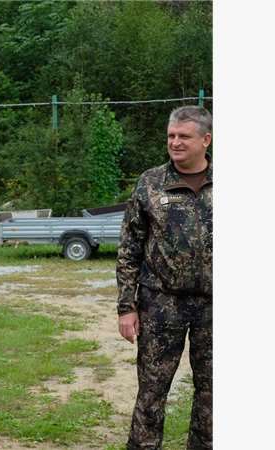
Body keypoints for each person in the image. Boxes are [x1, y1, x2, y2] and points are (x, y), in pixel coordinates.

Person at [116, 105, 213, 449]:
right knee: (152, 392)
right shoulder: (151, 182)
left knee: (213, 394)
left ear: (206, 140)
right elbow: (129, 246)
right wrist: (126, 307)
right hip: (160, 304)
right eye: (171, 135)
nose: (175, 142)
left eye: (184, 136)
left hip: (215, 307)